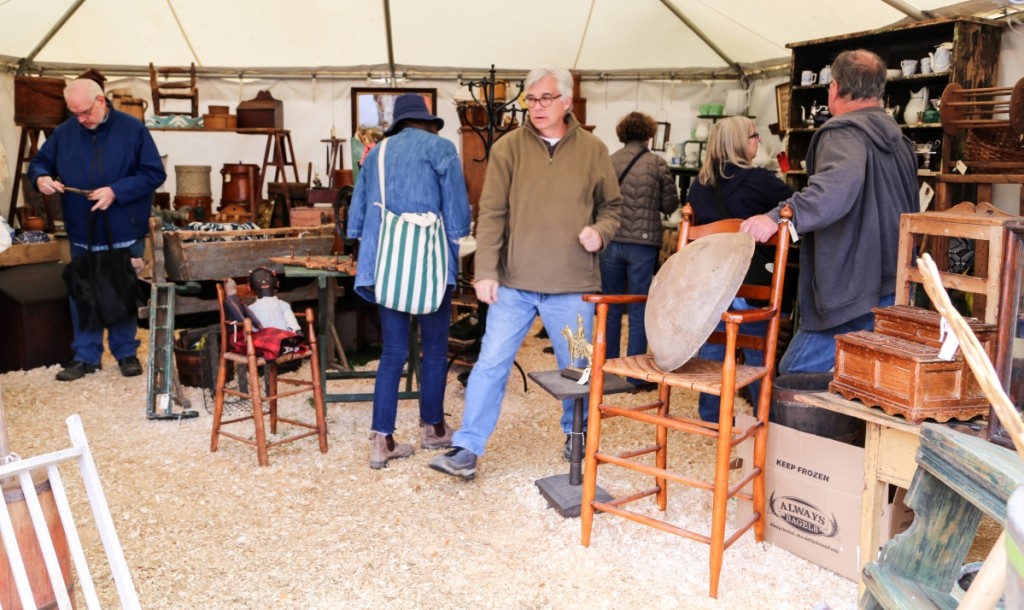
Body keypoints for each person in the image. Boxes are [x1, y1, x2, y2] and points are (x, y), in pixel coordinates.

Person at [430, 66, 623, 480]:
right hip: (514, 285)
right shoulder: (508, 148)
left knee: (577, 370)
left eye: (546, 99)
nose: (537, 107)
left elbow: (613, 208)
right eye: (531, 100)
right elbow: (493, 212)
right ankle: (467, 447)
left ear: (567, 102)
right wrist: (485, 270)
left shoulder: (593, 150)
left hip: (573, 286)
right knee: (489, 364)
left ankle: (578, 435)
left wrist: (601, 232)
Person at [740, 49, 918, 374]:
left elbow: (834, 190)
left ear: (834, 89)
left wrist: (778, 217)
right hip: (895, 284)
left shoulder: (843, 132)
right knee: (861, 382)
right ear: (880, 90)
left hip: (854, 289)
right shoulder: (902, 142)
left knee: (794, 378)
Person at [347, 93, 472, 469]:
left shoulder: (376, 154)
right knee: (434, 349)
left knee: (393, 353)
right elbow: (456, 211)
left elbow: (357, 212)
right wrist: (458, 234)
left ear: (399, 123)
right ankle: (433, 428)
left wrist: (358, 238)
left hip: (388, 261)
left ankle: (381, 440)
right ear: (427, 122)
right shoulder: (441, 148)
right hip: (431, 262)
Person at [29, 78, 166, 382]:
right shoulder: (65, 132)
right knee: (83, 291)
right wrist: (41, 179)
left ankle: (126, 352)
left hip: (123, 224)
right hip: (81, 228)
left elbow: (154, 172)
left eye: (85, 112)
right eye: (74, 113)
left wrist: (116, 191)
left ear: (101, 101)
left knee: (121, 288)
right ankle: (85, 356)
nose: (80, 119)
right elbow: (39, 163)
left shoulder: (133, 130)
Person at [686, 116, 795, 422]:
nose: (758, 140)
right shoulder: (760, 181)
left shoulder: (699, 185)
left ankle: (712, 418)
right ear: (738, 142)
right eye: (753, 135)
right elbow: (794, 205)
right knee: (760, 352)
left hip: (709, 286)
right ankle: (765, 418)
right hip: (751, 285)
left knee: (713, 350)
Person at [602, 112, 680, 370]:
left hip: (611, 239)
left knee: (610, 306)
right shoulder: (657, 164)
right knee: (638, 308)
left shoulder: (608, 162)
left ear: (622, 134)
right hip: (643, 244)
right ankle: (634, 372)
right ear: (648, 134)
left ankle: (609, 366)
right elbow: (670, 204)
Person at [246, 268, 300, 333]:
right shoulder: (251, 309)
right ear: (250, 287)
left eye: (267, 279)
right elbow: (252, 329)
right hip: (262, 338)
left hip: (282, 336)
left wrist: (296, 330)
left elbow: (290, 320)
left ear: (276, 283)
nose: (263, 282)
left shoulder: (282, 304)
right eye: (258, 280)